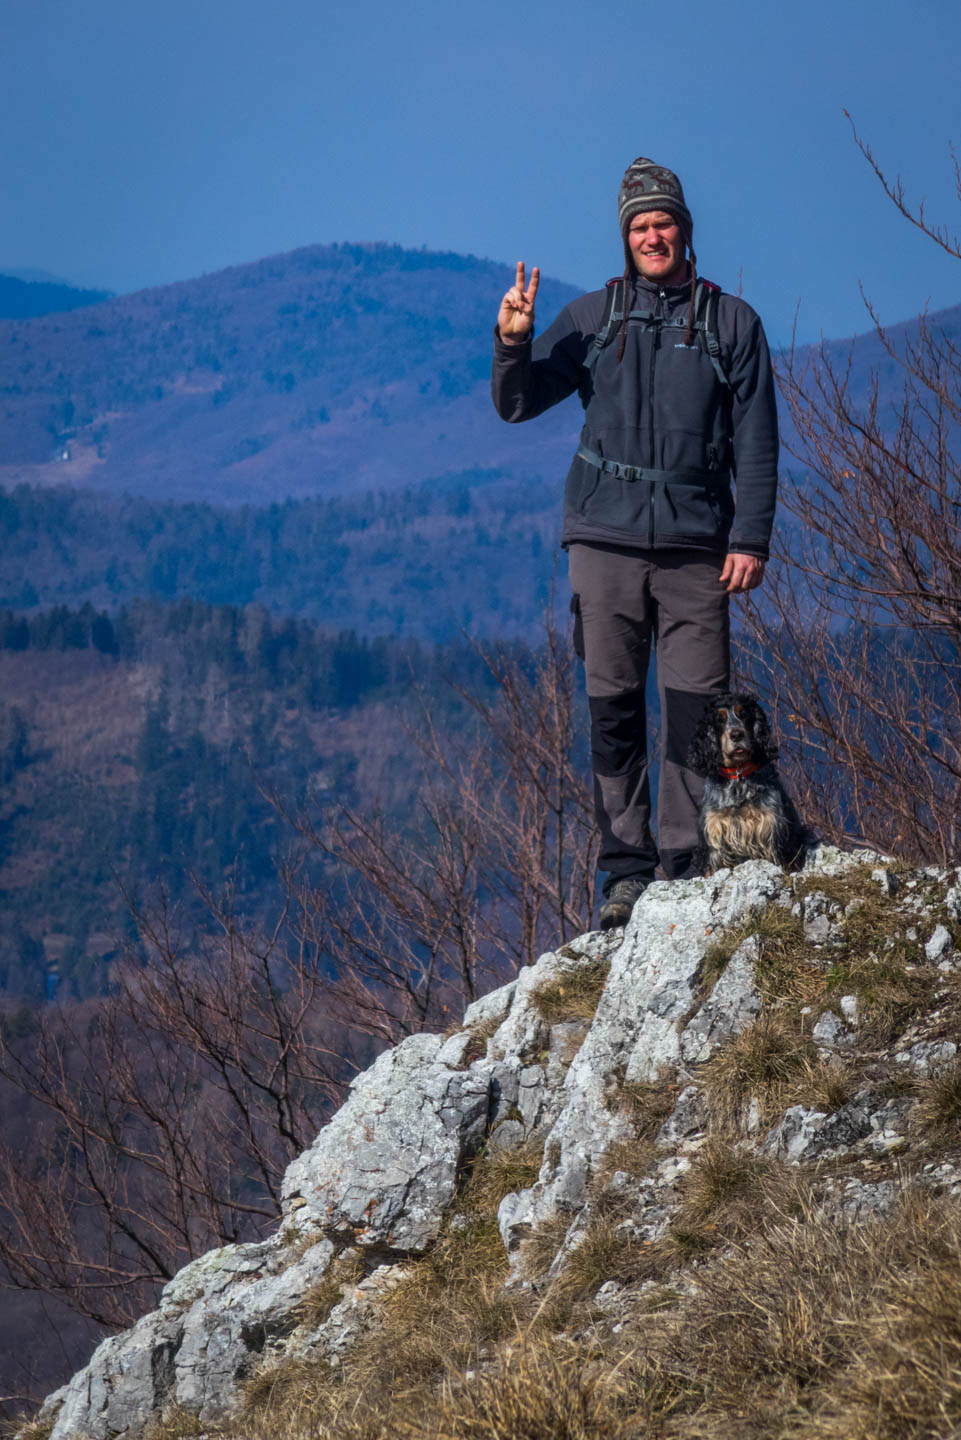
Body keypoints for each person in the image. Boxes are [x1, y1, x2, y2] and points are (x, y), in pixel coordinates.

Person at [491, 156, 779, 929]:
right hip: (604, 544)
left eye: (664, 222)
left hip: (697, 550)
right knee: (613, 714)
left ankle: (688, 865)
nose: (653, 235)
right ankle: (625, 873)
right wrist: (511, 341)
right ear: (625, 237)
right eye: (640, 225)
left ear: (685, 231)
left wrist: (750, 537)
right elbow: (516, 406)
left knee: (694, 717)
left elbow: (757, 442)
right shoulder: (593, 316)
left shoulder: (732, 323)